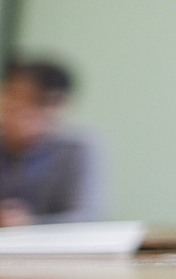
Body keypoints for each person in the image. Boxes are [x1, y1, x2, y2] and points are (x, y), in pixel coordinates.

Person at [0, 57, 105, 224]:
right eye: (14, 99)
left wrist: (29, 223)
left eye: (36, 104)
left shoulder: (76, 148)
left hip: (53, 247)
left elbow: (86, 217)